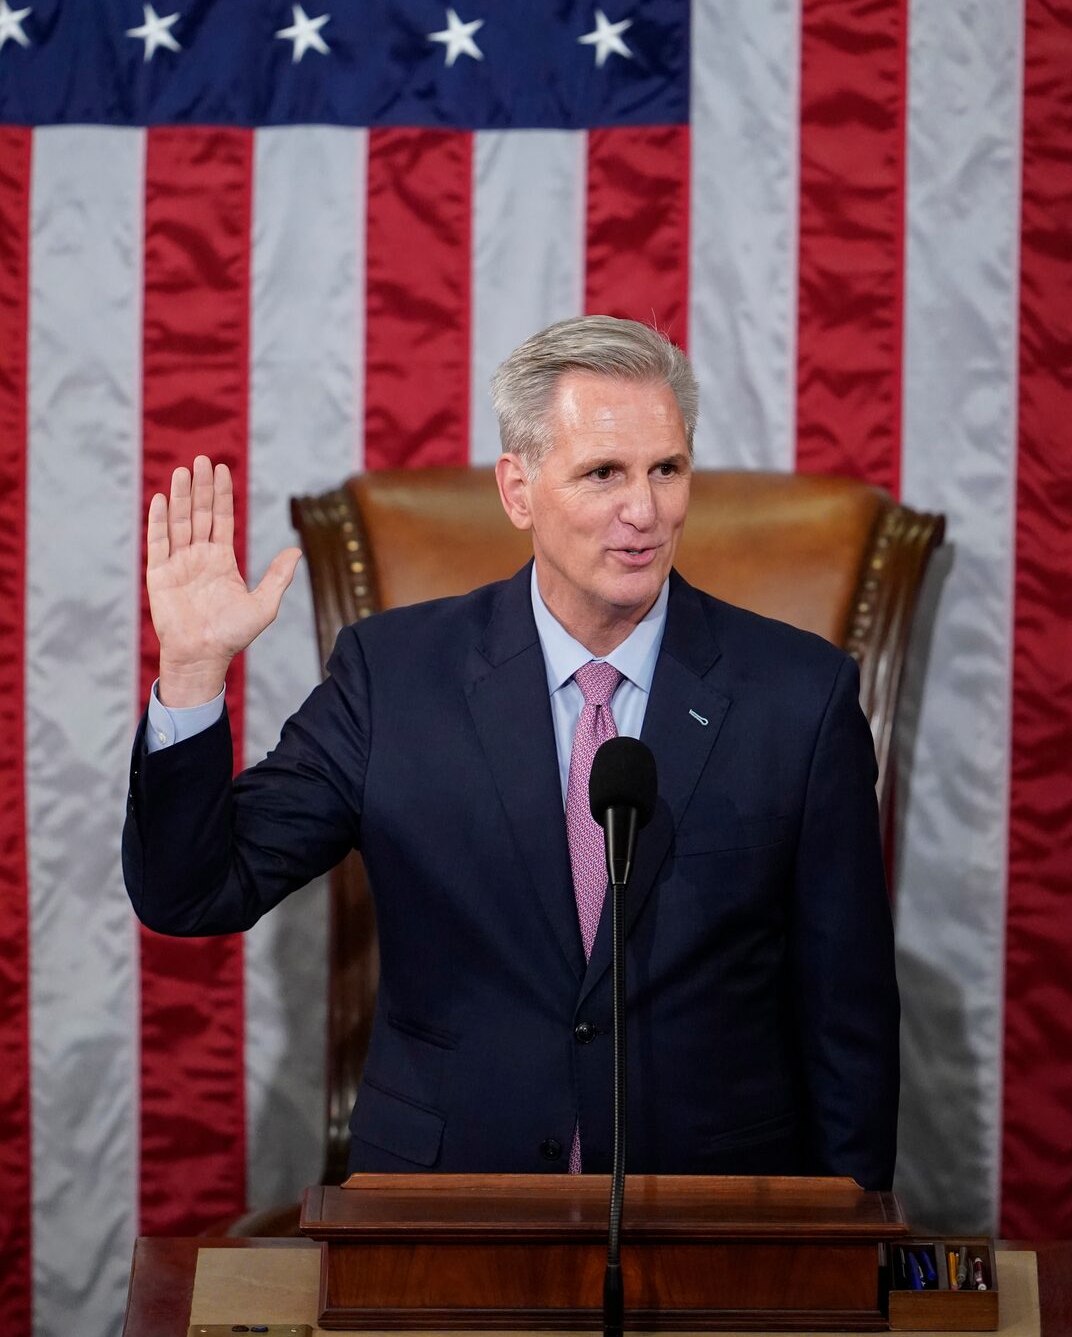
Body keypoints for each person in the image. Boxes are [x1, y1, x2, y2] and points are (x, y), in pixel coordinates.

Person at [123, 317, 899, 1184]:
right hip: (448, 1210)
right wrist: (193, 674)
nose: (643, 511)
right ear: (518, 489)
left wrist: (847, 1254)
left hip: (709, 1217)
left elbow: (848, 1020)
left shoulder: (800, 696)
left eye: (666, 470)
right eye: (603, 472)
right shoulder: (394, 678)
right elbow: (192, 892)